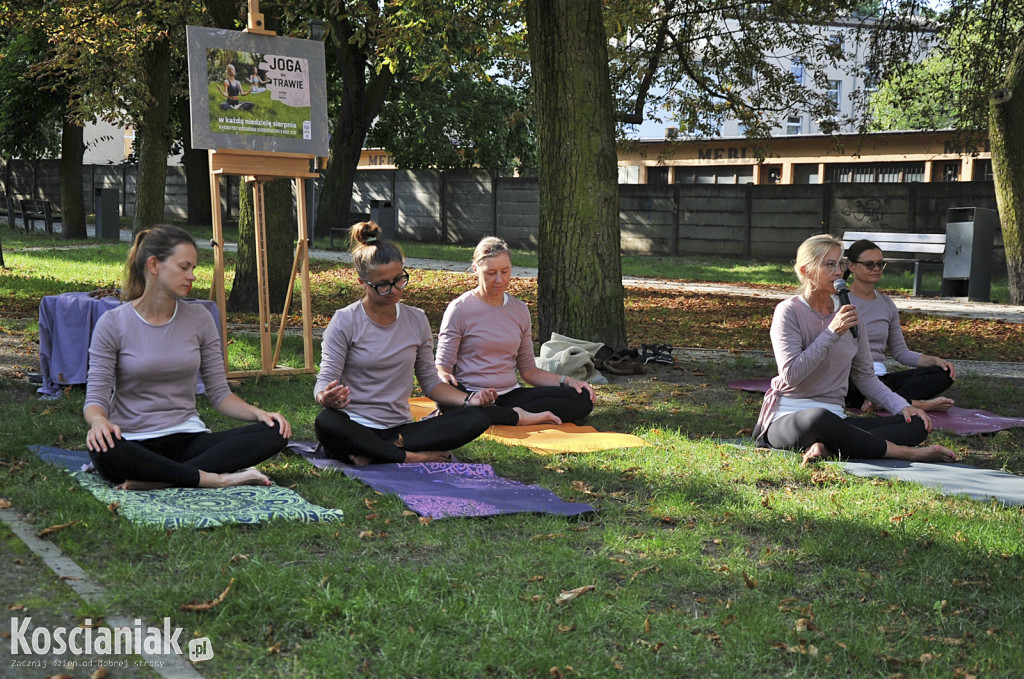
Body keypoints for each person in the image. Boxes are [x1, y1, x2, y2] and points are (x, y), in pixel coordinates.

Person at [84, 225, 291, 490]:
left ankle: (158, 479)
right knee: (104, 451)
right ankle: (210, 478)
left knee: (275, 432)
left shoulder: (200, 318)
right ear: (154, 265)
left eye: (193, 268)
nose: (192, 276)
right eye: (184, 267)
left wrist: (259, 413)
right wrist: (100, 422)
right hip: (134, 440)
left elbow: (220, 394)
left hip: (188, 440)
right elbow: (95, 400)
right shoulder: (113, 323)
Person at [752, 234, 956, 467]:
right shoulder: (788, 311)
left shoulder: (850, 312)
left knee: (916, 424)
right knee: (819, 418)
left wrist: (903, 406)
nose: (838, 272)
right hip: (791, 417)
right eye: (829, 264)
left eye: (840, 263)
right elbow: (792, 375)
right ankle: (906, 454)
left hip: (838, 420)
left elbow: (865, 377)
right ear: (806, 270)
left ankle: (828, 447)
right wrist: (832, 333)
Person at [314, 222, 492, 465]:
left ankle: (373, 453)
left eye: (399, 280)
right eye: (383, 285)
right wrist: (326, 397)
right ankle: (411, 457)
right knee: (326, 422)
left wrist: (470, 400)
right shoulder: (345, 320)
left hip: (400, 431)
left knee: (477, 417)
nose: (394, 290)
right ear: (363, 283)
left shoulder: (416, 319)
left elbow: (430, 382)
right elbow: (325, 380)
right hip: (355, 424)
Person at [434, 236, 596, 427]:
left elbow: (529, 371)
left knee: (582, 397)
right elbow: (442, 367)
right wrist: (444, 377)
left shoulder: (519, 310)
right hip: (471, 395)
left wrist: (567, 381)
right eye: (491, 273)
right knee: (445, 394)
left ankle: (503, 414)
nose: (499, 279)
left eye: (505, 271)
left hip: (511, 395)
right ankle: (517, 417)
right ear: (476, 269)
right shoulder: (459, 309)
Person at [843, 238, 956, 412]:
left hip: (880, 376)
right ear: (851, 266)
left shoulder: (887, 304)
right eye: (869, 264)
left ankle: (881, 400)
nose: (876, 269)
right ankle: (913, 404)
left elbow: (900, 352)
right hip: (852, 375)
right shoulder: (839, 301)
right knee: (851, 384)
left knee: (943, 373)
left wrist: (934, 360)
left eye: (880, 264)